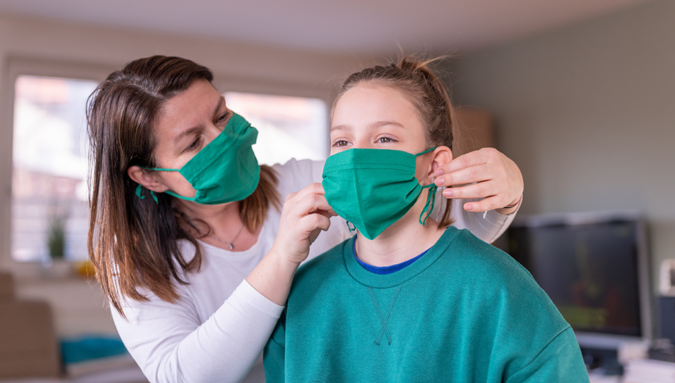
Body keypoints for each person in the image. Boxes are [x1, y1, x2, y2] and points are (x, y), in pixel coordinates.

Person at [86, 55, 524, 383]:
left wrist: (504, 193)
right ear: (149, 177)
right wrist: (281, 257)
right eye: (193, 143)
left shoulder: (308, 181)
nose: (223, 139)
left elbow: (449, 226)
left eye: (221, 116)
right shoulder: (136, 267)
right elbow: (185, 376)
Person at [263, 57, 589, 382]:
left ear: (435, 166)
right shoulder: (302, 296)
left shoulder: (498, 290)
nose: (355, 158)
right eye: (342, 142)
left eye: (384, 138)